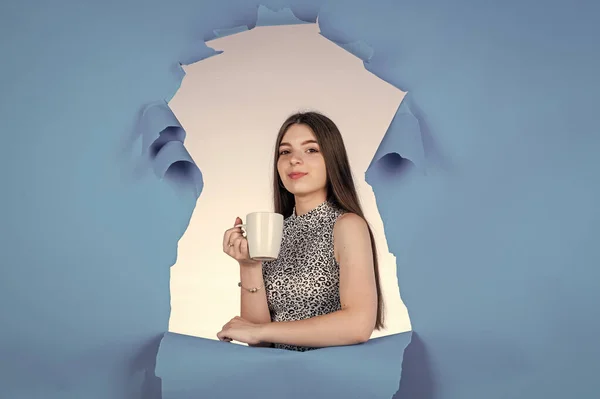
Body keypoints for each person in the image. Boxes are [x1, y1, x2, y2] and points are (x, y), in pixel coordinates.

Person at [218, 111, 384, 351]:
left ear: (333, 160)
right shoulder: (275, 232)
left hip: (327, 374)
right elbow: (260, 342)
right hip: (279, 375)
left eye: (311, 150)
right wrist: (249, 266)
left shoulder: (347, 225)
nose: (294, 160)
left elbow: (358, 326)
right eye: (285, 152)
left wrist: (260, 331)